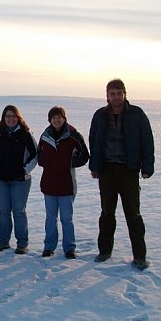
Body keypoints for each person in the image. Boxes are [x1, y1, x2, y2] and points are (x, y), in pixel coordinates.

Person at [89, 78, 155, 270]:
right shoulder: (100, 115)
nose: (116, 97)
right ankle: (104, 251)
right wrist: (95, 166)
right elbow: (94, 141)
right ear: (107, 96)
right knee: (107, 213)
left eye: (119, 93)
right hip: (107, 170)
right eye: (112, 94)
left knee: (133, 214)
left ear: (125, 94)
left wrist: (147, 167)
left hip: (129, 170)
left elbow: (147, 140)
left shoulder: (137, 114)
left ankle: (140, 256)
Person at [0, 105, 37, 254]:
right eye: (7, 116)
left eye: (13, 116)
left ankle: (22, 243)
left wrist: (25, 170)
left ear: (18, 118)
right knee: (4, 212)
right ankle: (3, 241)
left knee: (19, 212)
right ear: (4, 118)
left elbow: (35, 154)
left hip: (20, 180)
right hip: (0, 179)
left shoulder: (25, 133)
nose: (10, 119)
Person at [37, 106, 89, 259]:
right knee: (50, 218)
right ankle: (49, 246)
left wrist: (68, 162)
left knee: (66, 218)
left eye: (59, 117)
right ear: (50, 120)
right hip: (49, 184)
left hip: (67, 184)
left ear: (64, 118)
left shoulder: (74, 135)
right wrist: (46, 161)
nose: (56, 120)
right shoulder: (45, 136)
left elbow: (84, 156)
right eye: (53, 118)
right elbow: (39, 155)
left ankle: (69, 248)